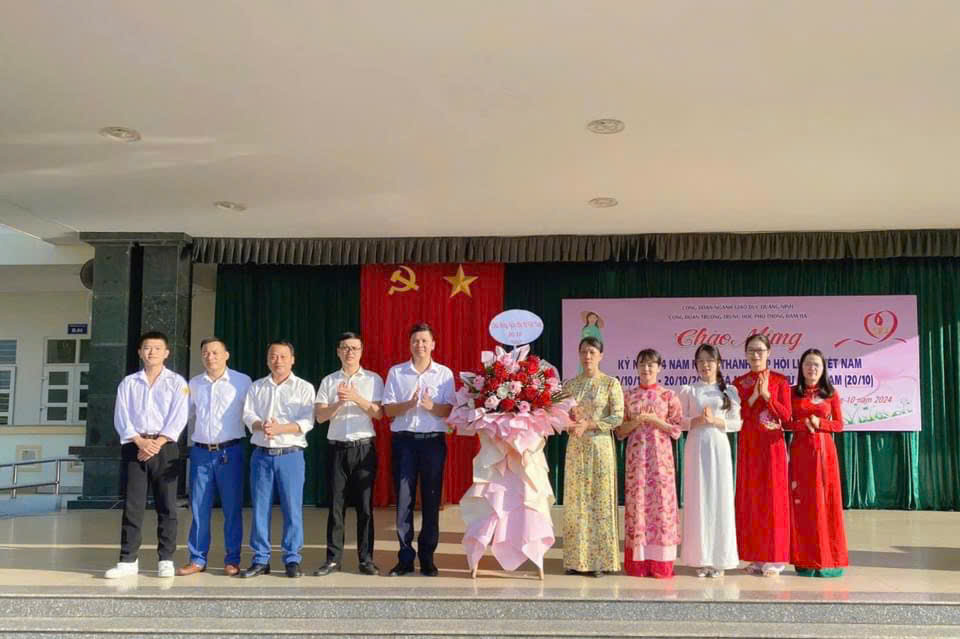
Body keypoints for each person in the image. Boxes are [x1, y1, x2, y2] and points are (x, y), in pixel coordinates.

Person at [104, 331, 189, 579]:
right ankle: (128, 560)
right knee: (133, 505)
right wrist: (140, 441)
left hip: (166, 448)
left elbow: (179, 416)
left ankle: (166, 559)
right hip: (135, 446)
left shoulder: (177, 383)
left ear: (166, 353)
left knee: (167, 506)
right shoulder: (129, 383)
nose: (152, 352)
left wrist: (158, 442)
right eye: (147, 348)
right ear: (140, 352)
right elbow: (121, 416)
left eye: (157, 348)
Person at [382, 323, 455, 577]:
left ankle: (427, 558)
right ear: (409, 344)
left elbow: (450, 410)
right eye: (415, 341)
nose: (420, 345)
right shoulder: (397, 372)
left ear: (433, 344)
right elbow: (388, 409)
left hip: (433, 442)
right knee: (404, 500)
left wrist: (431, 406)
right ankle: (404, 558)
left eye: (424, 341)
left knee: (432, 500)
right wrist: (409, 404)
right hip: (404, 443)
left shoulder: (444, 374)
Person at [240, 340, 316, 578]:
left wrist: (280, 428)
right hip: (261, 455)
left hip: (290, 455)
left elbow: (307, 421)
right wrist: (260, 425)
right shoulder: (257, 386)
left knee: (292, 509)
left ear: (292, 359)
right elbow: (247, 415)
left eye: (283, 356)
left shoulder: (304, 387)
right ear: (267, 360)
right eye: (273, 356)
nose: (278, 361)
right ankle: (260, 559)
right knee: (260, 509)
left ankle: (292, 558)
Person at [177, 337, 251, 577]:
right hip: (201, 452)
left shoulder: (242, 381)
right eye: (206, 353)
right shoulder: (194, 383)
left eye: (216, 352)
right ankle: (197, 559)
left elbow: (252, 413)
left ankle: (232, 559)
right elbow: (182, 415)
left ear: (226, 355)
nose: (211, 357)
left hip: (230, 452)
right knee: (199, 507)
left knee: (232, 508)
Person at [312, 331, 383, 577]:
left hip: (363, 449)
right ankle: (333, 559)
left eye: (354, 348)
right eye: (345, 347)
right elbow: (320, 416)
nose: (349, 352)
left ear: (361, 351)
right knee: (336, 506)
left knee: (365, 507)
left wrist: (356, 398)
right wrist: (340, 402)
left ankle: (366, 559)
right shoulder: (329, 381)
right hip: (337, 449)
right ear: (338, 352)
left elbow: (379, 413)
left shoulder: (373, 379)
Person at [616, 348, 683, 578]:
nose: (646, 369)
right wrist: (636, 421)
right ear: (636, 367)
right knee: (638, 506)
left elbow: (677, 429)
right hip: (637, 462)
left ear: (659, 368)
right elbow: (620, 432)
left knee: (661, 506)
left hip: (660, 461)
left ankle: (661, 562)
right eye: (642, 364)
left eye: (651, 364)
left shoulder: (668, 396)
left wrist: (655, 420)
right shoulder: (628, 396)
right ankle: (639, 562)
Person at [678, 344, 742, 578]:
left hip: (718, 446)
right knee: (698, 498)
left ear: (718, 363)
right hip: (696, 446)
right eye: (701, 361)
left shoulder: (729, 391)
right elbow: (679, 421)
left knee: (719, 498)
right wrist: (696, 420)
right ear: (695, 364)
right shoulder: (689, 390)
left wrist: (716, 421)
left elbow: (737, 423)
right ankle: (700, 558)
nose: (705, 365)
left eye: (710, 360)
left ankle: (720, 559)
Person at [562, 336, 624, 577]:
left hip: (600, 448)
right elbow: (559, 416)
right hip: (576, 448)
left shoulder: (610, 383)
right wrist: (568, 423)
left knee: (600, 500)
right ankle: (576, 560)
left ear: (601, 356)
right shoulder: (570, 385)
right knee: (576, 501)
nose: (587, 356)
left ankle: (600, 561)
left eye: (592, 352)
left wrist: (589, 424)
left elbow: (617, 417)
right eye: (583, 352)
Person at [732, 334, 792, 577]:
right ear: (745, 354)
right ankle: (757, 556)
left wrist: (767, 396)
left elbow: (787, 416)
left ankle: (775, 557)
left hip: (772, 446)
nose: (755, 355)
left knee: (774, 500)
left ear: (769, 352)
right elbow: (736, 416)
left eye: (760, 350)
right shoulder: (739, 383)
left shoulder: (780, 381)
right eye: (751, 350)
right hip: (749, 445)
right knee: (752, 499)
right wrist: (755, 395)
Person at [787, 348, 849, 577]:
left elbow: (839, 425)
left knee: (826, 502)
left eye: (816, 365)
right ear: (801, 368)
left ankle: (829, 559)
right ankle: (805, 560)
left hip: (825, 454)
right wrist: (803, 424)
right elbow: (786, 423)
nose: (811, 368)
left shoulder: (830, 393)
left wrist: (820, 423)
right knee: (804, 504)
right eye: (807, 364)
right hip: (801, 452)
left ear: (823, 369)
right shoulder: (793, 393)